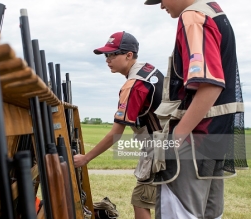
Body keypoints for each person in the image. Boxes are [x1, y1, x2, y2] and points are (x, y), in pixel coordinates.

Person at [144, 0, 245, 218]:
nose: (161, 6)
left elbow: (210, 85)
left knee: (179, 212)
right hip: (216, 138)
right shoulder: (217, 14)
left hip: (193, 139)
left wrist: (176, 137)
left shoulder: (192, 16)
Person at [73, 31, 164, 219]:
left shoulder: (134, 84)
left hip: (161, 149)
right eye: (106, 55)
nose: (107, 59)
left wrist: (86, 158)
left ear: (129, 55)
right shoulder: (149, 70)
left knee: (140, 202)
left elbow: (117, 131)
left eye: (112, 54)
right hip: (177, 143)